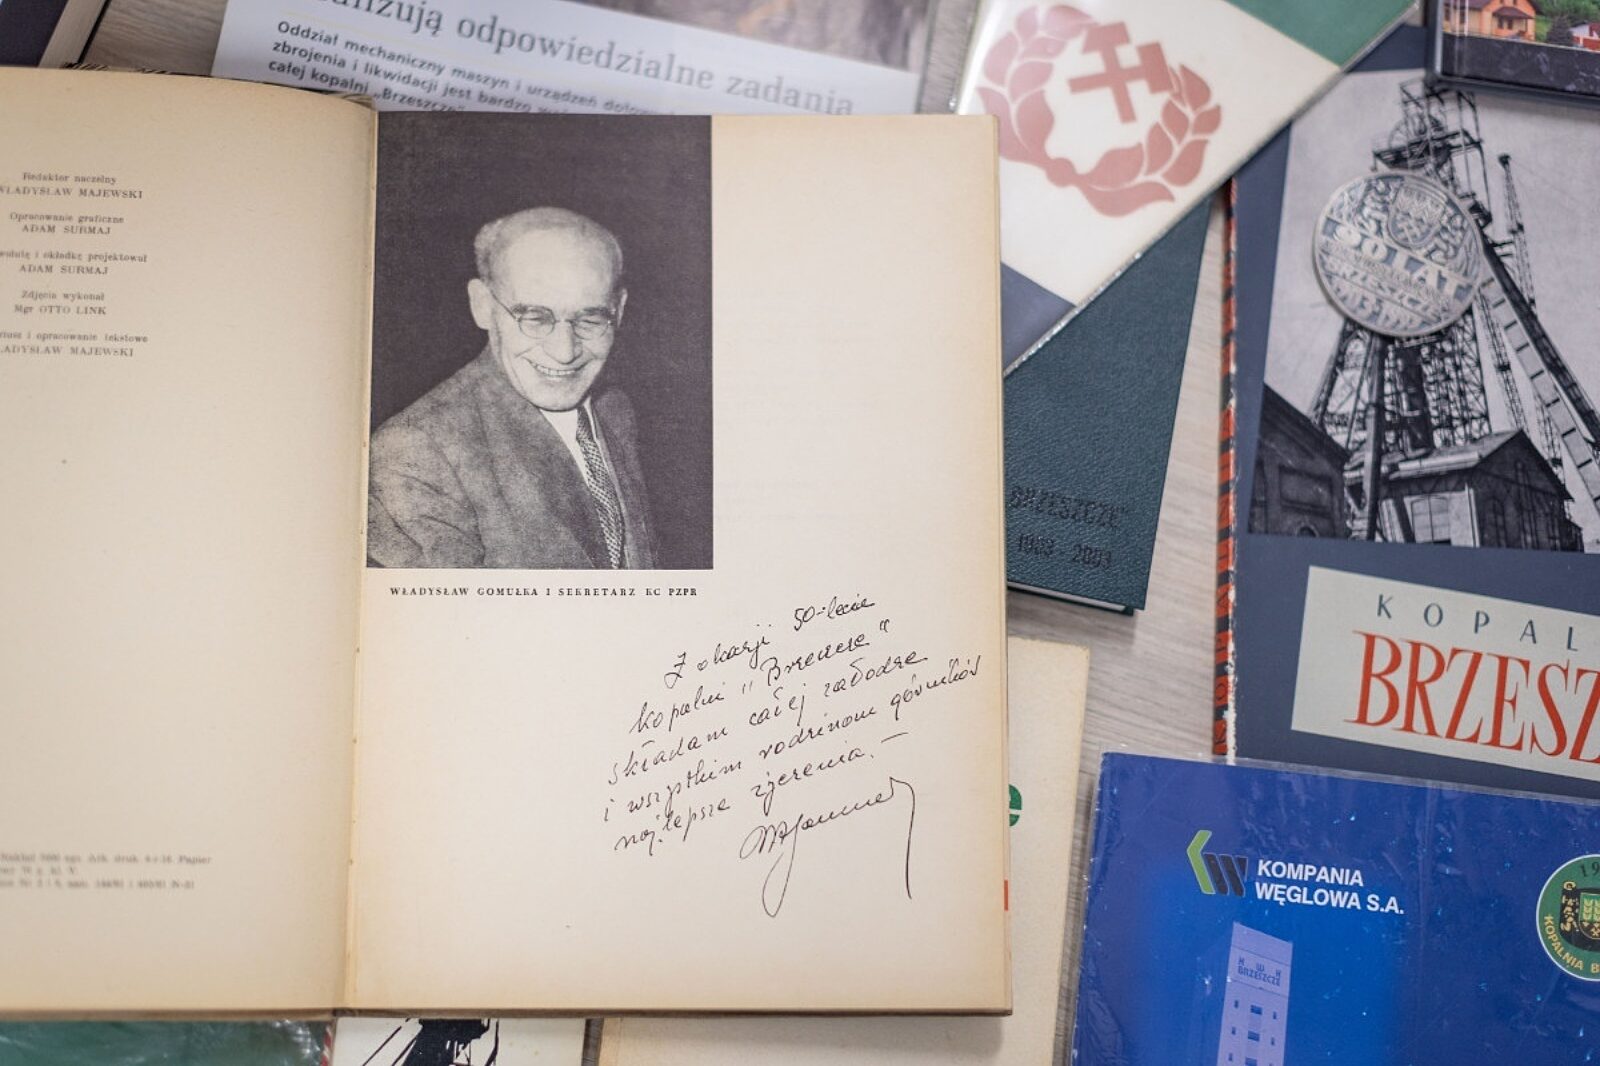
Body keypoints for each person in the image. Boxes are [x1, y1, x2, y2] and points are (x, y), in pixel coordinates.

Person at [367, 207, 655, 569]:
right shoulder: (416, 451)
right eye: (535, 318)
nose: (565, 352)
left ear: (620, 310)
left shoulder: (615, 411)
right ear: (483, 305)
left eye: (590, 319)